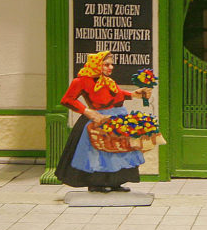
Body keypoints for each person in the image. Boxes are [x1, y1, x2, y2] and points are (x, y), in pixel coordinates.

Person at [55, 50, 153, 193]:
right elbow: (67, 100)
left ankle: (115, 182)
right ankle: (96, 183)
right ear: (96, 65)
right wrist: (86, 111)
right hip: (98, 120)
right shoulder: (81, 81)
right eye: (106, 64)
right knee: (98, 153)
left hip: (116, 119)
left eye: (111, 64)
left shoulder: (108, 81)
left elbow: (117, 95)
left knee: (118, 151)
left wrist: (133, 95)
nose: (111, 67)